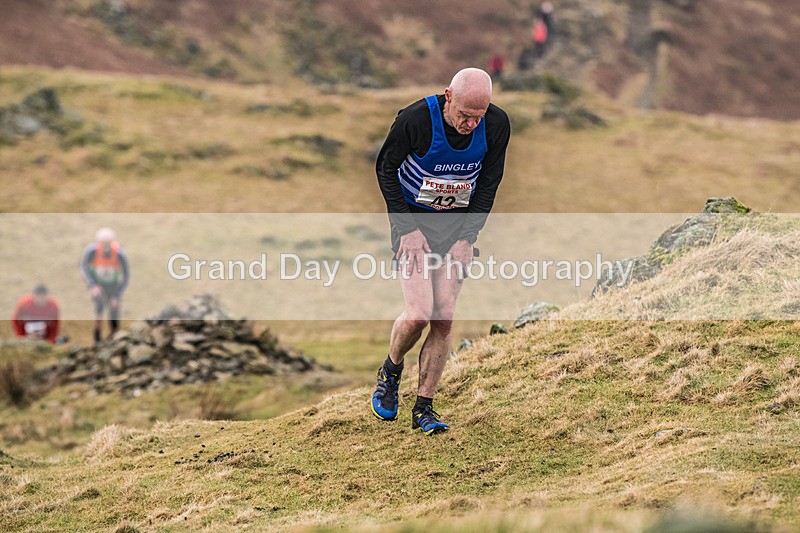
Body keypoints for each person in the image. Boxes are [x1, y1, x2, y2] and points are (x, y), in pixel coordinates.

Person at [373, 67, 511, 435]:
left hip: (456, 230)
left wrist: (469, 238)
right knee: (418, 314)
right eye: (464, 114)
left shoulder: (496, 125)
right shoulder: (415, 120)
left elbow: (489, 182)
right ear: (448, 96)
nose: (469, 124)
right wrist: (408, 230)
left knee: (444, 316)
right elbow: (385, 170)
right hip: (412, 226)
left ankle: (424, 408)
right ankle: (391, 370)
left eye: (476, 117)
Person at [79, 227, 130, 343]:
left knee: (114, 308)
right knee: (99, 309)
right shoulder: (91, 251)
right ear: (98, 242)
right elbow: (83, 267)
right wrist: (92, 285)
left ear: (112, 242)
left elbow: (127, 275)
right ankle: (96, 338)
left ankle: (115, 336)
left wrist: (118, 294)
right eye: (103, 243)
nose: (105, 245)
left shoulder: (120, 253)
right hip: (97, 284)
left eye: (108, 243)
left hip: (113, 285)